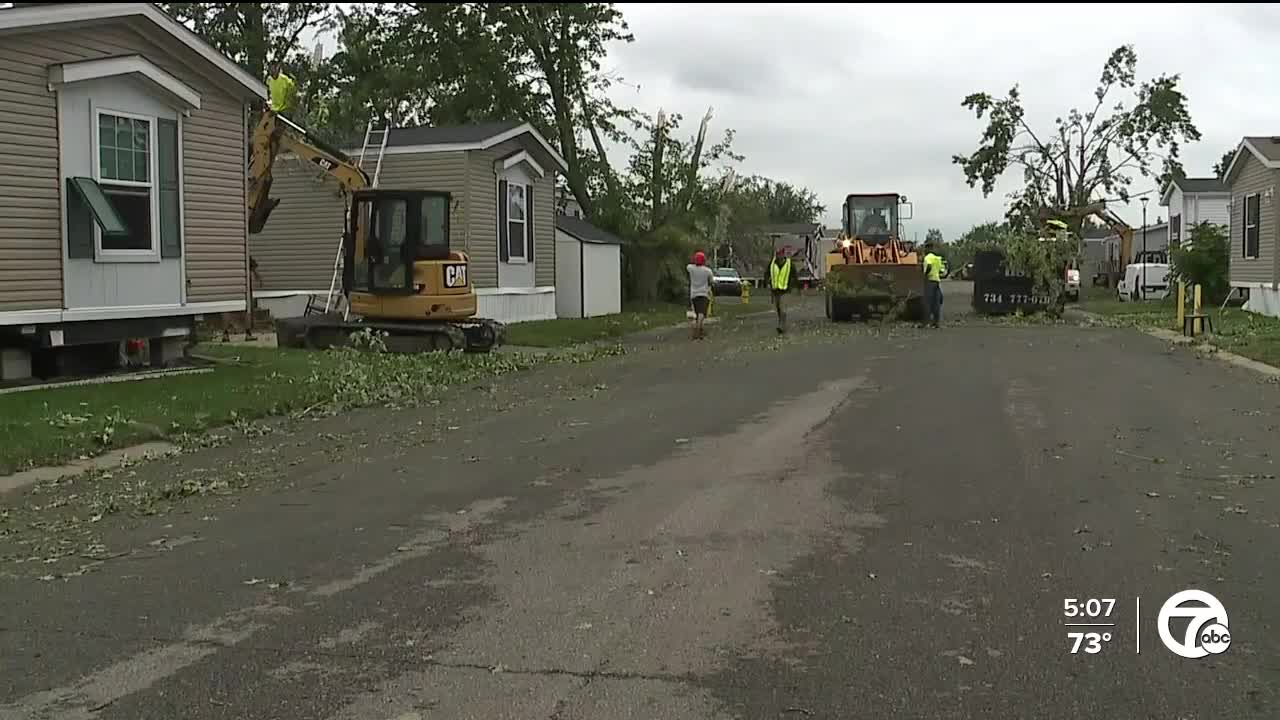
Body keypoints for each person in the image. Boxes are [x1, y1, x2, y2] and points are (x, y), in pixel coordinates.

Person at [687, 251, 714, 340]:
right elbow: (711, 281)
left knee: (696, 313)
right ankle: (698, 330)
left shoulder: (690, 268)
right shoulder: (707, 271)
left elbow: (689, 265)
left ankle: (700, 330)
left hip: (693, 294)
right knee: (702, 313)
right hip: (704, 293)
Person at [922, 242, 948, 328]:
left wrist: (926, 274)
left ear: (927, 249)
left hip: (930, 281)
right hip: (937, 281)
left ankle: (927, 323)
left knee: (928, 302)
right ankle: (936, 323)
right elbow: (942, 270)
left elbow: (928, 266)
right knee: (936, 302)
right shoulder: (938, 258)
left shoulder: (927, 258)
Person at [769, 247, 792, 334]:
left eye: (780, 254)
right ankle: (780, 322)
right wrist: (767, 282)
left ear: (783, 254)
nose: (779, 255)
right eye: (777, 254)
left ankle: (782, 326)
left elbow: (793, 275)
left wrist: (794, 285)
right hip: (776, 290)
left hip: (785, 290)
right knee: (778, 308)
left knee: (783, 308)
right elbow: (768, 273)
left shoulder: (788, 264)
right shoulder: (772, 264)